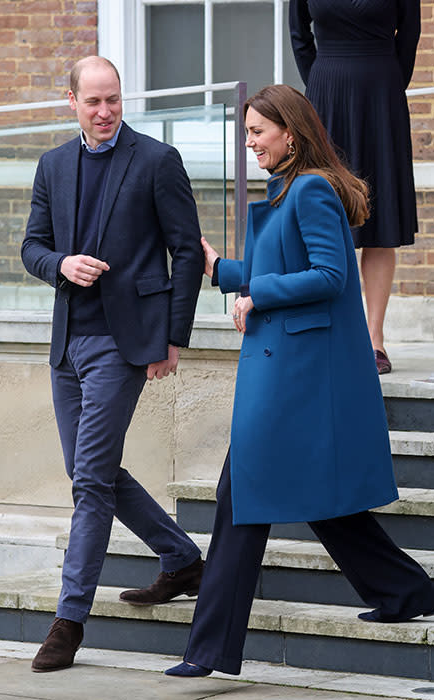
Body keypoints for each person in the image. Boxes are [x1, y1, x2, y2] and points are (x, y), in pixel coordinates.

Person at [164, 84, 434, 679]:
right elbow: (278, 268)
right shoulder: (287, 187)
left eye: (259, 131)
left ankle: (207, 651)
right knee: (317, 501)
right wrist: (222, 270)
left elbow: (332, 276)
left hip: (301, 377)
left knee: (242, 499)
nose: (250, 142)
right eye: (247, 133)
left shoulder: (310, 188)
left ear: (292, 131)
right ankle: (407, 592)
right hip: (288, 370)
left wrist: (256, 292)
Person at [21, 55, 205, 673]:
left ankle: (68, 621)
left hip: (123, 345)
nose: (105, 113)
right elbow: (32, 246)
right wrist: (61, 265)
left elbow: (185, 249)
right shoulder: (52, 165)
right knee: (88, 470)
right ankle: (181, 558)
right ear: (70, 99)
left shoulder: (157, 160)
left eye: (114, 101)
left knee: (90, 483)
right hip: (67, 341)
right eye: (93, 101)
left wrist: (171, 336)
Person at [289, 0, 421, 374]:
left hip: (382, 93)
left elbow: (409, 37)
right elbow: (300, 37)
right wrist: (319, 83)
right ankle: (330, 334)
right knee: (326, 215)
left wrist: (390, 83)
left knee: (380, 224)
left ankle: (374, 341)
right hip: (326, 94)